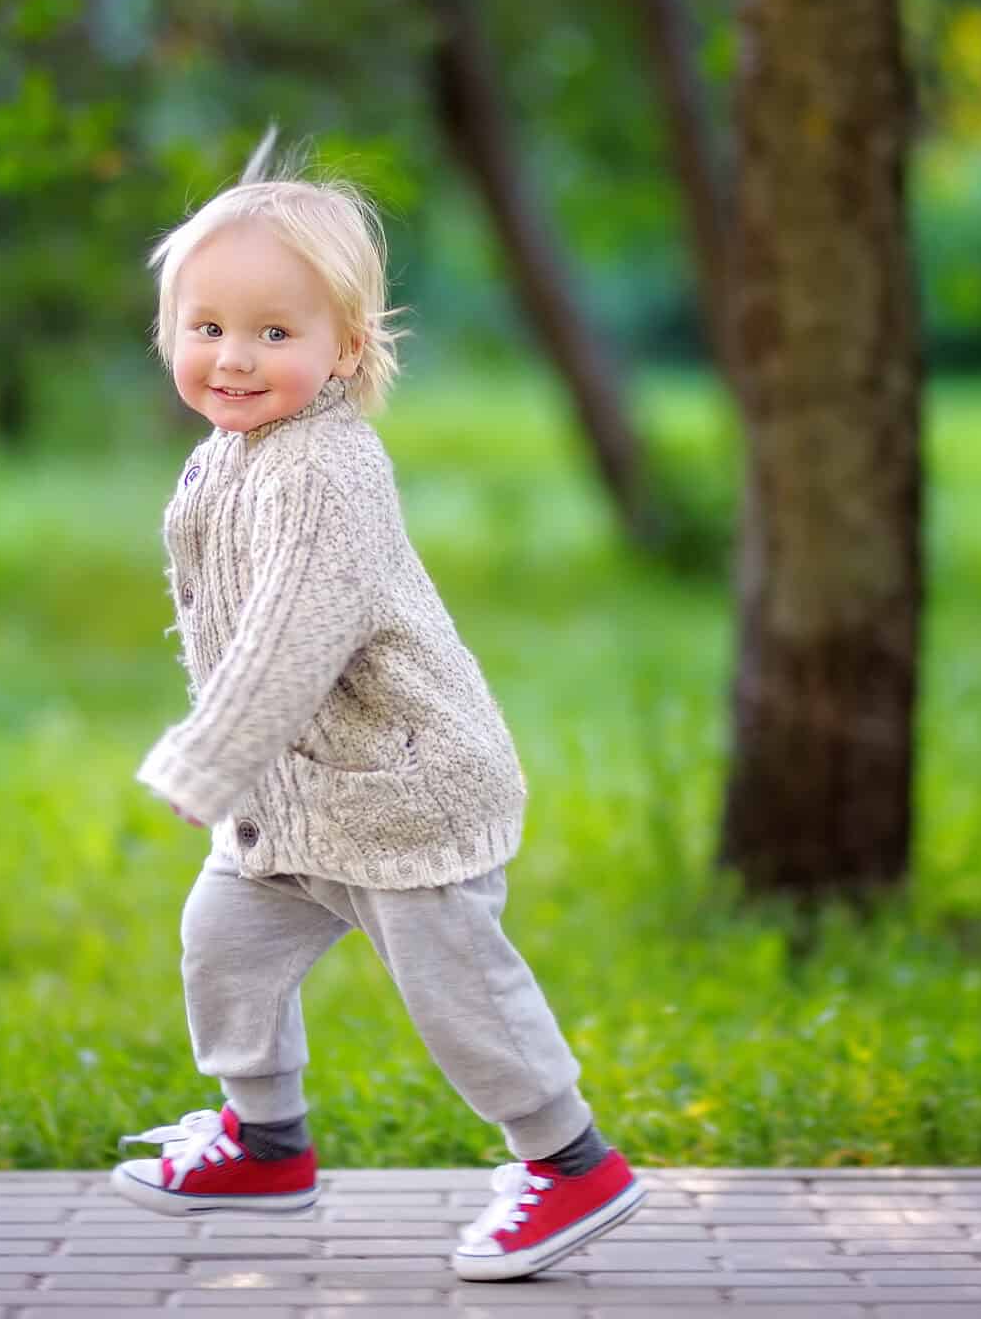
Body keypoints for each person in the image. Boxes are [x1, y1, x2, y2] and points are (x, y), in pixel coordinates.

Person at [109, 133, 645, 1281]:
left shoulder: (325, 469)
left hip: (400, 790)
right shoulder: (227, 456)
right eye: (206, 330)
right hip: (294, 805)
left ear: (346, 349)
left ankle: (569, 1162)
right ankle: (264, 1143)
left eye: (273, 333)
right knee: (223, 945)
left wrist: (207, 760)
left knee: (460, 994)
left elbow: (291, 641)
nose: (235, 359)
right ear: (170, 337)